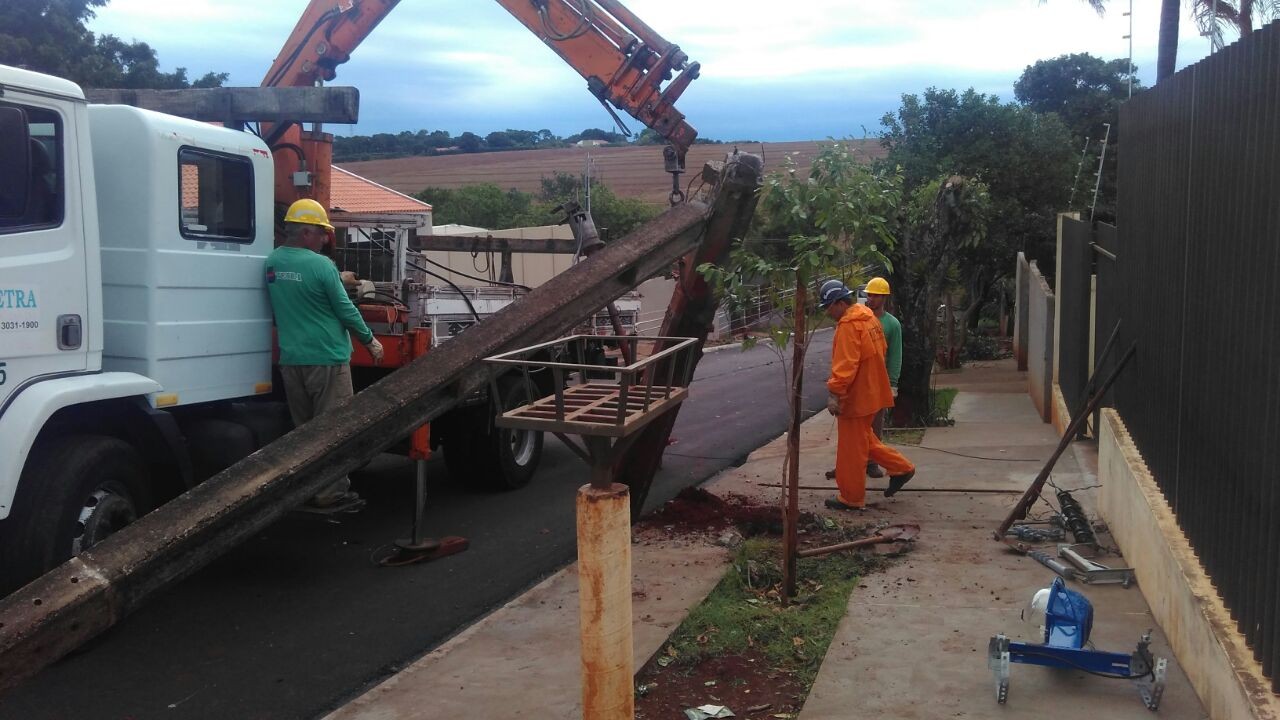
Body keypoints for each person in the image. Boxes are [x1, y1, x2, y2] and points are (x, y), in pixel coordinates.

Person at [266, 199, 384, 511]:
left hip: (292, 360)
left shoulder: (272, 263)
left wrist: (333, 278)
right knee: (334, 429)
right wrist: (370, 340)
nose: (325, 239)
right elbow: (345, 309)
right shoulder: (321, 266)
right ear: (306, 232)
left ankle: (306, 488)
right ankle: (331, 492)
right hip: (327, 358)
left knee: (304, 431)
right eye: (321, 233)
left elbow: (296, 289)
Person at [819, 279, 915, 510]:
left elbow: (845, 365)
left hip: (857, 398)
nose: (827, 312)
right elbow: (880, 351)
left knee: (852, 450)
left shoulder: (850, 325)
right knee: (865, 439)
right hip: (871, 392)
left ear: (839, 303)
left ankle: (851, 498)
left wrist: (835, 393)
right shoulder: (868, 318)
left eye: (828, 307)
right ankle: (902, 468)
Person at [863, 277, 902, 478]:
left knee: (876, 424)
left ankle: (872, 462)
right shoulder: (860, 319)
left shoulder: (891, 324)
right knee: (856, 425)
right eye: (869, 295)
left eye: (876, 295)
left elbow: (896, 354)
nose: (871, 299)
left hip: (879, 381)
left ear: (884, 297)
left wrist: (893, 383)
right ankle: (854, 461)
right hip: (861, 382)